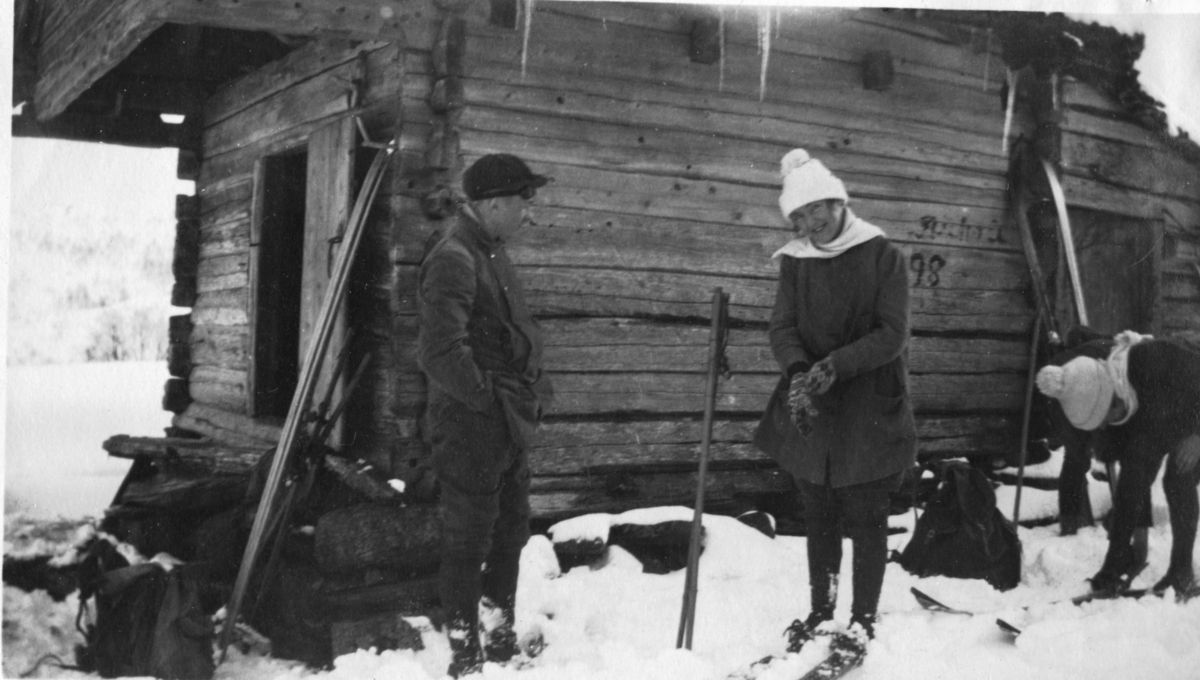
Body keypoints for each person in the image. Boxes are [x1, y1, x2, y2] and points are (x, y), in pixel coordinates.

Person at [753, 149, 917, 663]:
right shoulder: (797, 262)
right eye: (798, 218)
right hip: (812, 407)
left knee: (866, 518)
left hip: (867, 404)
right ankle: (822, 610)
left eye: (814, 211)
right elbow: (782, 327)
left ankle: (863, 618)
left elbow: (891, 334)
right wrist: (799, 370)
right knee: (818, 512)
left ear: (836, 201)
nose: (809, 224)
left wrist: (837, 365)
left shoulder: (882, 254)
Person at [416, 153, 554, 677]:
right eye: (522, 201)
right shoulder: (455, 255)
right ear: (494, 204)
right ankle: (464, 653)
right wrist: (487, 402)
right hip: (474, 424)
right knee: (469, 537)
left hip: (505, 420)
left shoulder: (490, 251)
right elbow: (439, 352)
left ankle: (498, 637)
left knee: (511, 531)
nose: (527, 212)